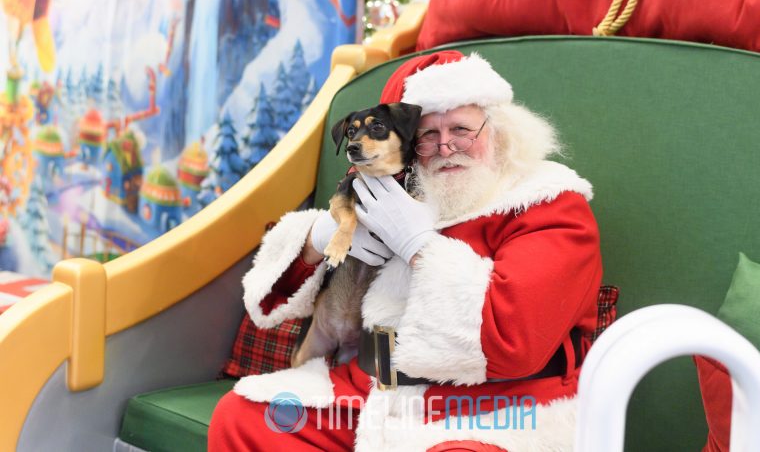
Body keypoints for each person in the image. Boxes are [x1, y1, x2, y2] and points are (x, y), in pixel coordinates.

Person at [209, 51, 603, 452]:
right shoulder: (398, 193)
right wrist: (316, 237)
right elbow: (271, 300)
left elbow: (517, 340)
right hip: (374, 393)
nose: (446, 147)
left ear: (498, 133)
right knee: (243, 418)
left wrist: (420, 247)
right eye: (429, 135)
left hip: (495, 406)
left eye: (462, 129)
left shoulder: (547, 202)